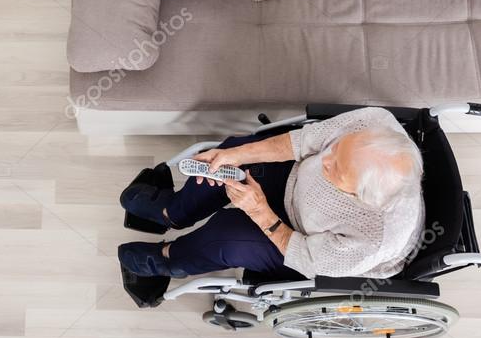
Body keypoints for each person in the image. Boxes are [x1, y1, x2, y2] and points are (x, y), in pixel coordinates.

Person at [118, 107, 425, 282]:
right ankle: (173, 212)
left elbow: (309, 259)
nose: (324, 160)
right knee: (223, 160)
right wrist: (237, 155)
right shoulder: (373, 124)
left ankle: (168, 260)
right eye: (334, 151)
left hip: (304, 241)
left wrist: (262, 212)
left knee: (223, 239)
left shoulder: (374, 239)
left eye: (335, 169)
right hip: (295, 180)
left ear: (360, 195)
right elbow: (306, 142)